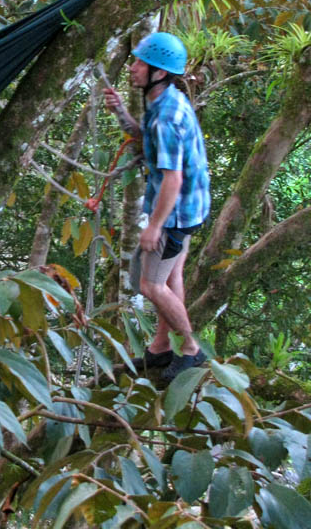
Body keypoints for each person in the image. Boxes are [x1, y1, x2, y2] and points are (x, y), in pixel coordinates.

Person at [102, 32, 211, 381]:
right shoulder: (163, 100)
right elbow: (145, 141)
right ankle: (161, 349)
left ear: (159, 72)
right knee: (171, 275)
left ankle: (192, 350)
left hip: (175, 213)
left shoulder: (166, 115)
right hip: (188, 208)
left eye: (140, 63)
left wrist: (154, 226)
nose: (132, 68)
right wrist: (120, 111)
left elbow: (172, 179)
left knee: (151, 286)